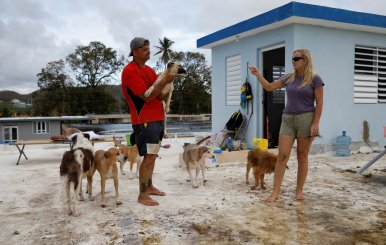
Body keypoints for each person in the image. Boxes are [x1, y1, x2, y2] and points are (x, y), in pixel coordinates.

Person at [249, 49, 324, 202]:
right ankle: (275, 192)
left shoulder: (315, 79)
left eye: (296, 58)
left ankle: (299, 190)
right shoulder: (289, 77)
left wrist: (315, 123)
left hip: (306, 119)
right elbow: (269, 87)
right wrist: (258, 75)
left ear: (305, 60)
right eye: (292, 58)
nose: (293, 61)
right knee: (282, 157)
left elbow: (320, 103)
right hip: (288, 119)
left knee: (302, 156)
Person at [121, 37, 171, 206]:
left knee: (153, 155)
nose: (148, 51)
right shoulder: (130, 71)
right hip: (144, 121)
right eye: (144, 49)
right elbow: (147, 96)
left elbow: (161, 94)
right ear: (134, 52)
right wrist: (164, 80)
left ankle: (149, 186)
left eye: (149, 49)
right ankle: (142, 194)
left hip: (157, 120)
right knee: (148, 156)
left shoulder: (149, 70)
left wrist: (168, 81)